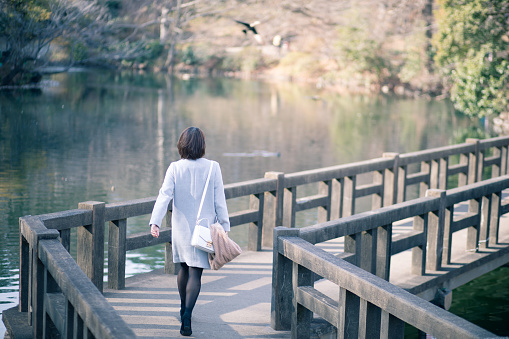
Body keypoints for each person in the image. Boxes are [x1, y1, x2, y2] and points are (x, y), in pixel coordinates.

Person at [149, 126, 230, 336]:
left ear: (182, 144)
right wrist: (225, 226)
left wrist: (155, 222)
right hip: (204, 229)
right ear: (202, 145)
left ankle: (183, 308)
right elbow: (219, 200)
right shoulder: (213, 167)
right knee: (196, 273)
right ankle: (187, 316)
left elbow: (164, 195)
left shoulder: (175, 168)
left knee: (183, 269)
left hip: (182, 229)